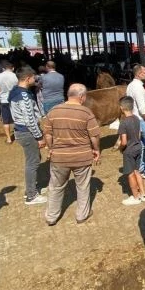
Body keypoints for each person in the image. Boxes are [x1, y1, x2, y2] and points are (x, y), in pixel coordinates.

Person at [44, 84, 101, 224]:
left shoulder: (53, 111)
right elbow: (94, 136)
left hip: (59, 157)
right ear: (81, 97)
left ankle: (51, 217)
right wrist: (96, 150)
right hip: (82, 157)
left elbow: (48, 134)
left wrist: (51, 148)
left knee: (55, 187)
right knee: (83, 187)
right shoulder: (86, 113)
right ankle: (82, 215)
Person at [8, 66, 47, 205]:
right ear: (28, 78)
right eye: (33, 78)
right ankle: (31, 195)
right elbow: (30, 120)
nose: (35, 80)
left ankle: (32, 188)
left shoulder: (15, 91)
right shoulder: (24, 96)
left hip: (21, 131)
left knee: (34, 160)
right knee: (32, 162)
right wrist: (39, 136)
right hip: (27, 132)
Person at [117, 97, 145, 207]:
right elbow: (138, 135)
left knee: (130, 174)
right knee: (137, 171)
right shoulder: (137, 119)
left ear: (121, 108)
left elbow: (124, 141)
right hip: (138, 147)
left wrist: (120, 148)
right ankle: (143, 194)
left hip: (129, 150)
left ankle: (135, 197)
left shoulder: (123, 123)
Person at [125, 65, 145, 178]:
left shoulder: (130, 86)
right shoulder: (138, 88)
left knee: (140, 145)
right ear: (139, 74)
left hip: (134, 119)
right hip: (142, 119)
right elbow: (142, 108)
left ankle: (140, 167)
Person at [0, 60, 17, 143]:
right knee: (17, 117)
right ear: (13, 68)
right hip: (15, 99)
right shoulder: (16, 76)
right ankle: (17, 135)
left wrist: (2, 90)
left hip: (4, 100)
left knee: (6, 121)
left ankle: (9, 138)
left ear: (3, 69)